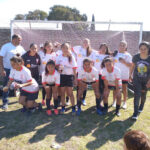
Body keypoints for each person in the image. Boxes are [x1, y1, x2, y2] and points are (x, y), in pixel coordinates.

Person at [0, 34, 25, 110]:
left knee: (21, 85)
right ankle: (5, 103)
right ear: (14, 39)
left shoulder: (20, 48)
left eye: (21, 40)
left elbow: (24, 56)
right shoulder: (6, 46)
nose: (20, 41)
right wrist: (2, 69)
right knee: (6, 86)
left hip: (18, 70)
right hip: (7, 69)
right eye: (19, 39)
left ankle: (23, 100)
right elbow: (0, 57)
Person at [73, 38, 98, 106]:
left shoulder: (92, 51)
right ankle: (78, 101)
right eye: (84, 42)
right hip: (79, 71)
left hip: (87, 72)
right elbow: (69, 48)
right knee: (78, 87)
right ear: (82, 42)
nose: (85, 43)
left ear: (89, 43)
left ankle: (83, 99)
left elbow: (100, 52)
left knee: (85, 86)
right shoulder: (78, 48)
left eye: (87, 42)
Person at [130, 41, 150, 120]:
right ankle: (135, 113)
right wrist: (129, 75)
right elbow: (132, 66)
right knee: (137, 95)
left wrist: (149, 81)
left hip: (146, 80)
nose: (143, 50)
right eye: (141, 49)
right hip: (136, 79)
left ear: (148, 49)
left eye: (144, 49)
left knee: (143, 95)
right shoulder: (136, 57)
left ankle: (141, 106)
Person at [56, 43, 77, 115]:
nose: (65, 49)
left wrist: (75, 78)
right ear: (61, 49)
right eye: (64, 48)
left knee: (70, 93)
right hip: (62, 77)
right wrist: (58, 69)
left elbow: (74, 68)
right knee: (62, 93)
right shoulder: (59, 57)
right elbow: (56, 66)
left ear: (69, 49)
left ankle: (73, 107)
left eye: (67, 48)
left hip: (69, 77)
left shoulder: (72, 57)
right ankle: (63, 107)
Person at [113, 41, 132, 109]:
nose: (122, 46)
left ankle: (124, 102)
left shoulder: (128, 55)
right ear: (118, 46)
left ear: (126, 47)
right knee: (115, 88)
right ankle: (114, 101)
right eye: (120, 45)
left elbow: (130, 65)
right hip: (116, 74)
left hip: (124, 74)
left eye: (123, 45)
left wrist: (124, 62)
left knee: (124, 88)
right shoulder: (115, 54)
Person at [39, 41, 57, 106]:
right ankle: (43, 100)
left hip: (51, 74)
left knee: (51, 88)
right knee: (44, 88)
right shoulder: (41, 53)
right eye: (48, 46)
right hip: (43, 74)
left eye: (50, 46)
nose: (49, 48)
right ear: (45, 47)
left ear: (52, 47)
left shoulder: (54, 54)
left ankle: (50, 101)